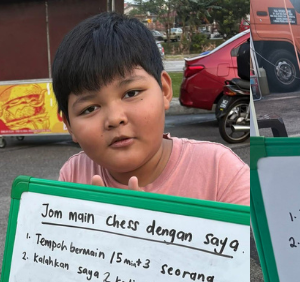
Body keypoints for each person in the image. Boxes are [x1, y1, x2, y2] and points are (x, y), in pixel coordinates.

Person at [52, 13, 248, 205]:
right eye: (90, 108)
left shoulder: (220, 172)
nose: (114, 118)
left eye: (131, 93)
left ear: (164, 90)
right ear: (69, 125)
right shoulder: (74, 176)